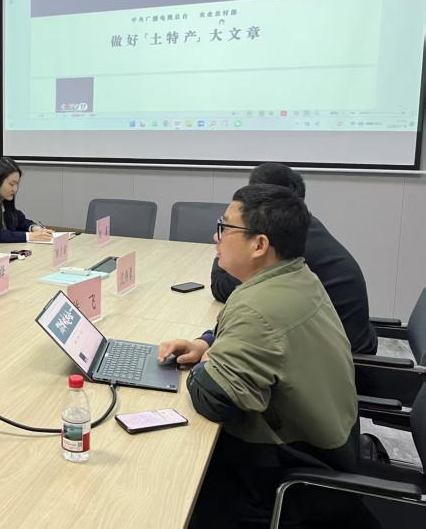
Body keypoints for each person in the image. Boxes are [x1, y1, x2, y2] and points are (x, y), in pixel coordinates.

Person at [159, 185, 365, 528]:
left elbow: (214, 399)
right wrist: (208, 344)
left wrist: (207, 364)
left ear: (259, 244)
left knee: (168, 481)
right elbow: (260, 337)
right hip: (329, 445)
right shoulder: (296, 275)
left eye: (225, 227)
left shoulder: (258, 309)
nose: (215, 236)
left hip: (288, 479)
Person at [211, 162, 377, 354]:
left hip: (349, 358)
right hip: (335, 341)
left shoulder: (284, 246)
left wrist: (224, 245)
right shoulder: (303, 229)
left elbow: (222, 288)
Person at [0, 157, 53, 243]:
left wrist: (34, 228)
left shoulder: (4, 199)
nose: (15, 189)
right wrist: (29, 236)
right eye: (11, 184)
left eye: (17, 184)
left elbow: (19, 220)